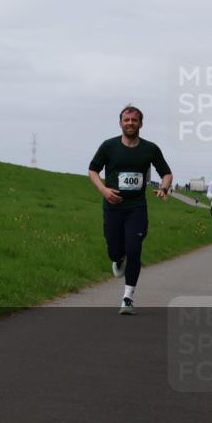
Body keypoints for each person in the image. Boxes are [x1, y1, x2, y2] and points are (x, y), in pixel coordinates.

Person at [88, 105, 173, 315]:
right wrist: (104, 191)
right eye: (126, 120)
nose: (130, 123)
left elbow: (167, 173)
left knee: (134, 249)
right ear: (120, 123)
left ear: (141, 124)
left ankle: (128, 298)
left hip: (137, 208)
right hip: (113, 207)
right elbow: (93, 170)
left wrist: (163, 188)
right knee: (115, 251)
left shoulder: (150, 149)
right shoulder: (109, 146)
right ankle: (118, 258)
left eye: (134, 120)